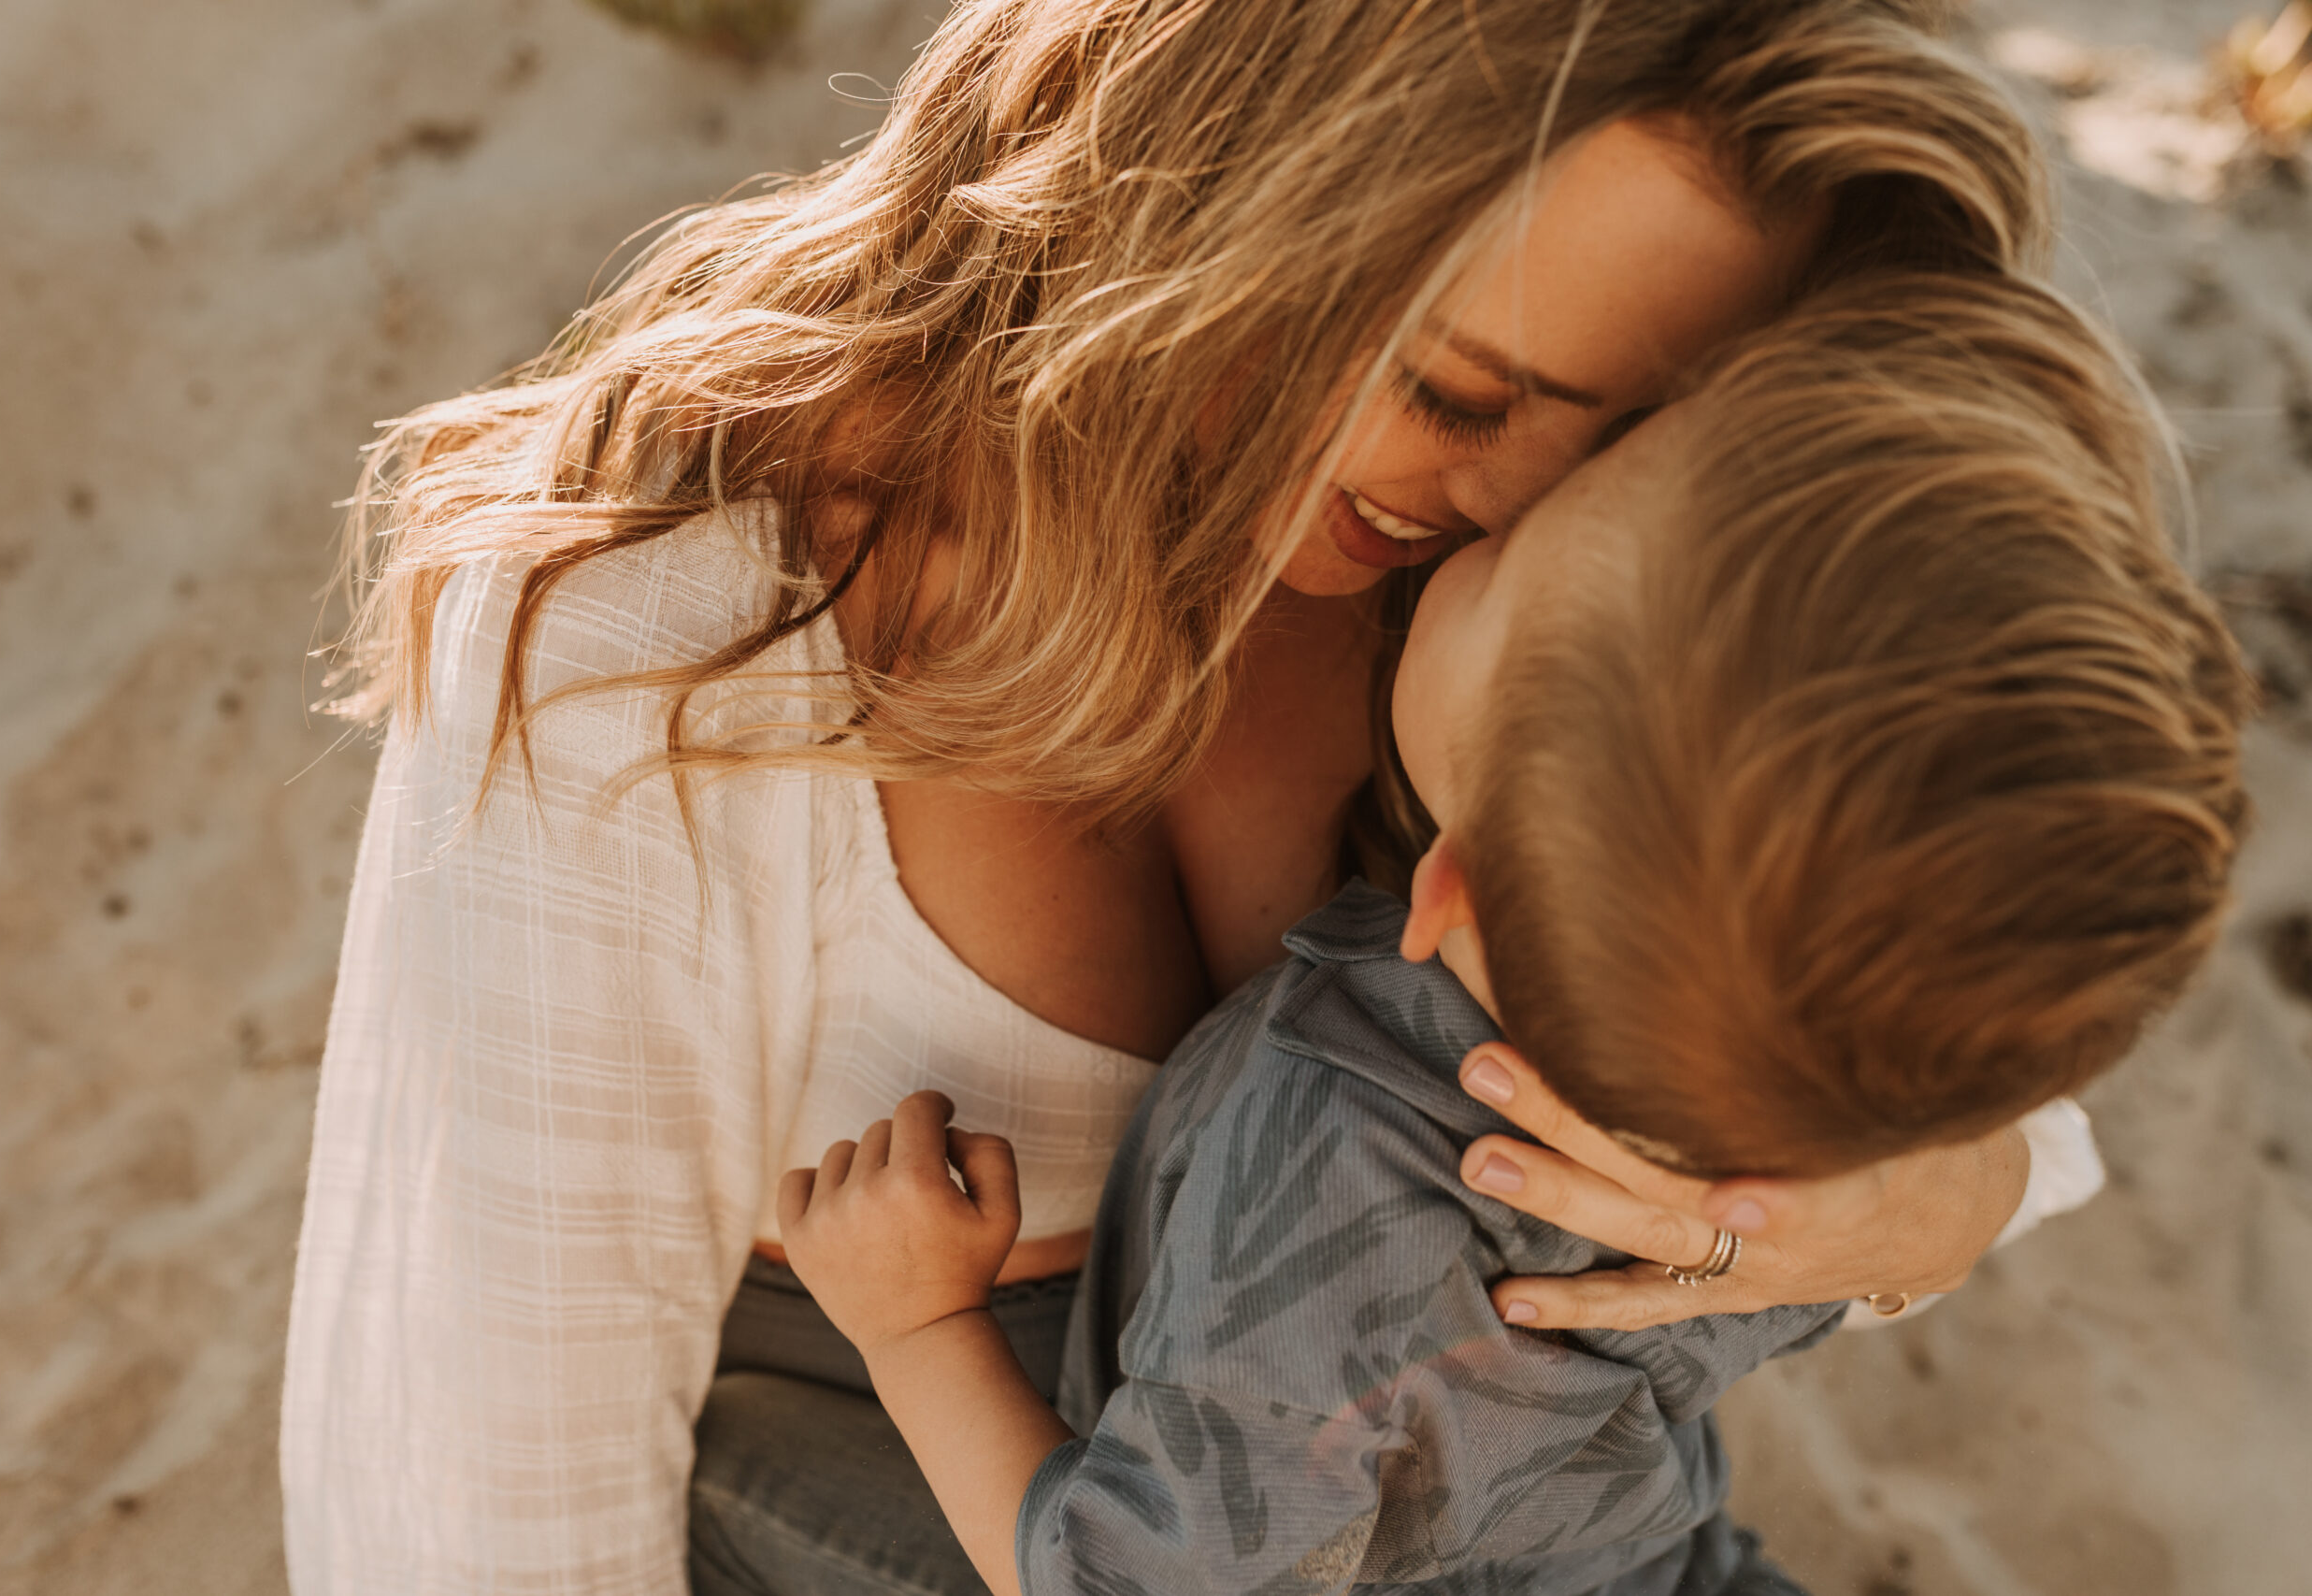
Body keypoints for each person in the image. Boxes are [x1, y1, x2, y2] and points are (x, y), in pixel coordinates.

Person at [282, 3, 2103, 1593]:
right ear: (1227, 183)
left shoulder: (1549, 571)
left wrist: (1930, 1192)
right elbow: (479, 1493)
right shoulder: (657, 630)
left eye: (1631, 428)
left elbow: (1954, 938)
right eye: (1456, 393)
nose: (1509, 500)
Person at [774, 270, 2252, 1596]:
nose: (1493, 524)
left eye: (1505, 575)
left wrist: (915, 1327)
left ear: (1448, 884)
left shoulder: (1344, 1155)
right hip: (1667, 1569)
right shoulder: (1797, 1140)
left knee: (742, 1475)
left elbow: (1116, 1579)